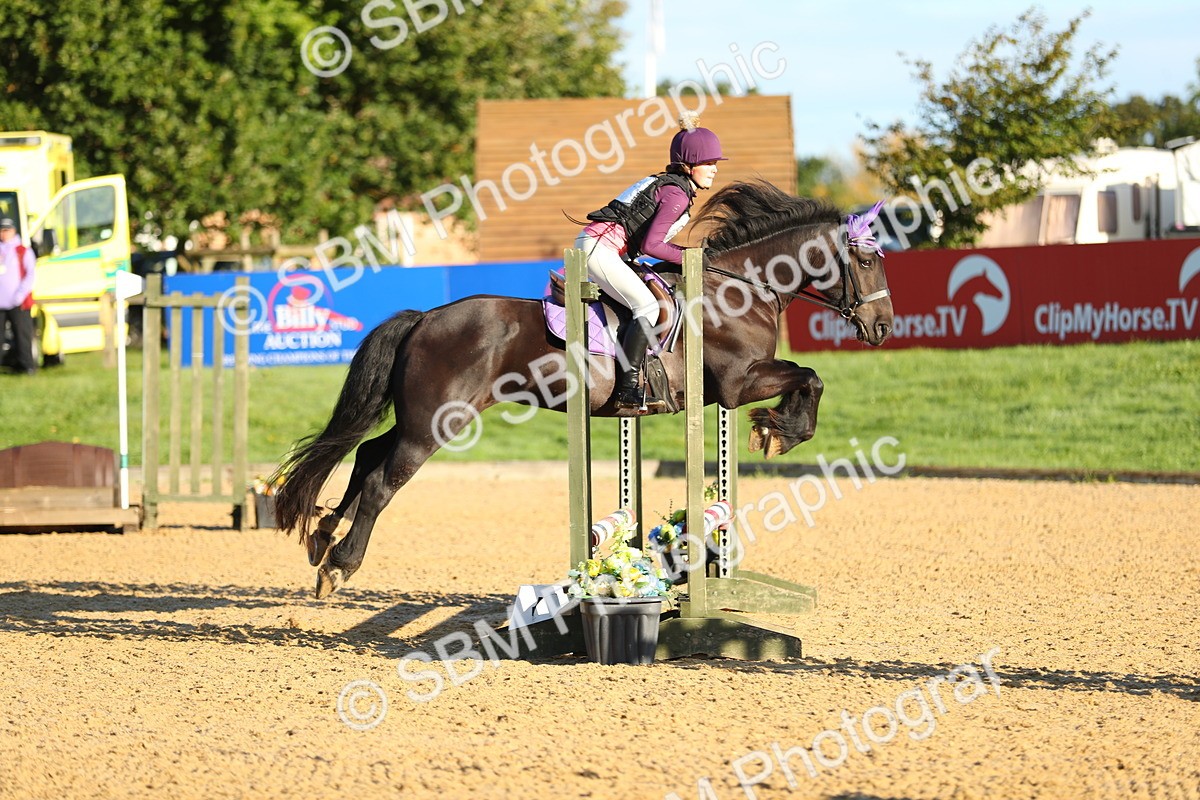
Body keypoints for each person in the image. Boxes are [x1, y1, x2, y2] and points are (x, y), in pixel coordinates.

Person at [575, 113, 726, 410]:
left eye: (716, 163)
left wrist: (685, 254)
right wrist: (690, 257)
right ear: (689, 165)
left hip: (603, 247)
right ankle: (627, 388)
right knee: (647, 305)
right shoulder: (677, 195)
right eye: (708, 163)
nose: (714, 170)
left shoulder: (672, 187)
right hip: (600, 248)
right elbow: (651, 245)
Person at [0, 217, 38, 374]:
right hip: (1, 302)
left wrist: (20, 295)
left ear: (13, 231)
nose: (4, 233)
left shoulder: (22, 250)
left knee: (22, 335)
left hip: (18, 301)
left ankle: (27, 366)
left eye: (7, 230)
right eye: (2, 230)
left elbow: (30, 274)